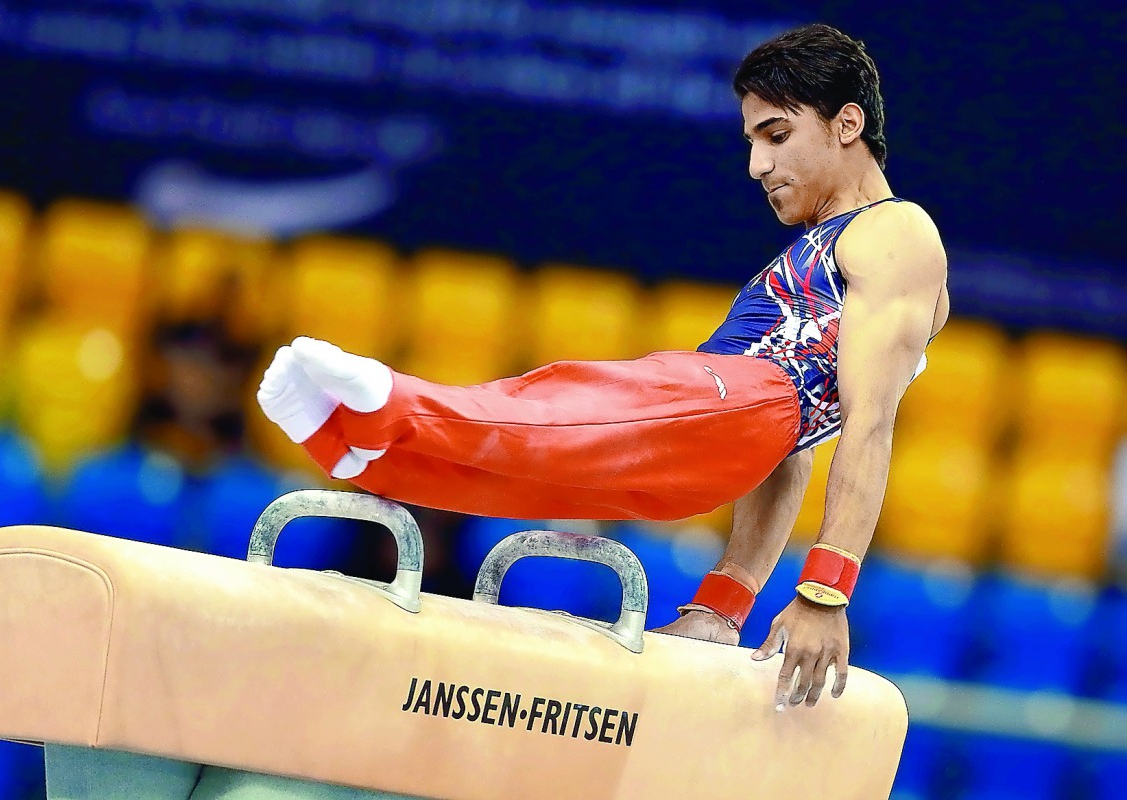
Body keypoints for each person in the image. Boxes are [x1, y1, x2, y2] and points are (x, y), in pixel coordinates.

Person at [256, 23, 948, 714]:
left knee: (559, 405)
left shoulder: (893, 232)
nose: (757, 167)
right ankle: (358, 451)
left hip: (739, 404)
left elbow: (868, 420)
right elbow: (791, 453)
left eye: (775, 135)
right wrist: (723, 607)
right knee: (524, 478)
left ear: (846, 123)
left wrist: (824, 593)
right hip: (727, 437)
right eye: (751, 143)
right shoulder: (825, 251)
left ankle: (392, 405)